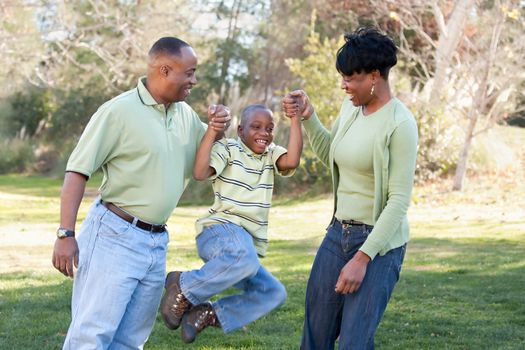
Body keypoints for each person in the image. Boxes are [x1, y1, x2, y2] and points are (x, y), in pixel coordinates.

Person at [51, 37, 231, 349]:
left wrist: (219, 124)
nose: (194, 80)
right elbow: (77, 171)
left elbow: (208, 150)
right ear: (164, 70)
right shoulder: (118, 112)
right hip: (113, 236)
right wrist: (65, 234)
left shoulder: (185, 115)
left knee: (131, 341)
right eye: (189, 73)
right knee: (91, 337)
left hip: (156, 242)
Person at [282, 26, 418, 349]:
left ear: (374, 76)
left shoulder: (400, 124)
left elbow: (398, 201)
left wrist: (362, 257)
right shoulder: (351, 109)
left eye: (350, 78)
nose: (344, 86)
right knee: (315, 336)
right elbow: (333, 153)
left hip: (379, 246)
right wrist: (309, 116)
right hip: (337, 235)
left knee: (354, 343)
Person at [159, 104, 303, 343]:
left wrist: (296, 118)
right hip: (219, 231)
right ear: (240, 129)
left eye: (269, 128)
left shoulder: (271, 154)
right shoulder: (229, 148)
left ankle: (207, 313)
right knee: (245, 259)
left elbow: (292, 160)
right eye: (256, 127)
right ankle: (182, 286)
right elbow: (200, 172)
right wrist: (213, 130)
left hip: (243, 248)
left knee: (273, 292)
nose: (264, 133)